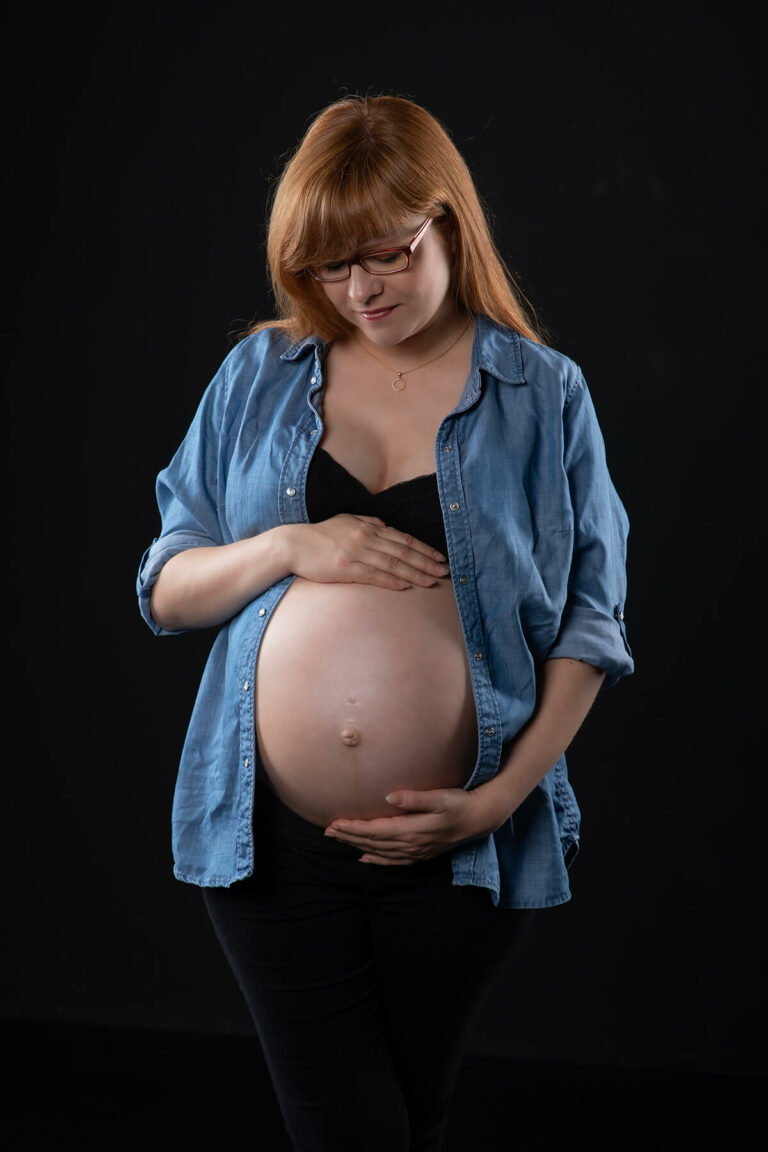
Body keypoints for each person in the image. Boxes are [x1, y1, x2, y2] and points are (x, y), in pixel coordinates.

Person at [137, 94, 634, 1152]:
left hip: (457, 847)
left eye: (386, 254)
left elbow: (593, 624)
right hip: (269, 843)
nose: (357, 290)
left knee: (410, 1115)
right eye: (327, 267)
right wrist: (286, 547)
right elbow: (167, 589)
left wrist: (495, 801)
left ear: (448, 221)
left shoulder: (543, 394)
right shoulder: (258, 377)